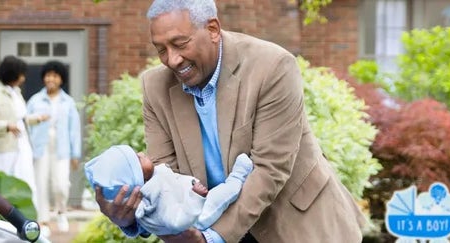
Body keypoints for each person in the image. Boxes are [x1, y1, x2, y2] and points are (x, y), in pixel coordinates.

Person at [94, 0, 366, 242]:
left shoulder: (272, 66)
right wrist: (129, 218)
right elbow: (168, 180)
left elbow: (270, 169)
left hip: (299, 224)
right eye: (161, 49)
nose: (172, 60)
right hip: (212, 224)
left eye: (179, 44)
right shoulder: (155, 86)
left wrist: (210, 238)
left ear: (212, 29)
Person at [84, 145, 253, 236]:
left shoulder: (151, 182)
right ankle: (237, 178)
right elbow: (176, 222)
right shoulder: (151, 198)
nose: (143, 153)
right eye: (138, 158)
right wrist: (196, 197)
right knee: (221, 196)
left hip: (188, 203)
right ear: (135, 179)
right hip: (196, 215)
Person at [26, 60, 82, 233]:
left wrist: (75, 154)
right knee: (41, 184)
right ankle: (43, 221)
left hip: (62, 149)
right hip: (40, 148)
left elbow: (74, 129)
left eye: (55, 76)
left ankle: (61, 211)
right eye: (48, 75)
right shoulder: (35, 100)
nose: (51, 79)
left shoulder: (68, 102)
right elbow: (26, 124)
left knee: (61, 185)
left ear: (61, 79)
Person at [0, 55, 40, 215]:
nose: (23, 78)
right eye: (20, 74)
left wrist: (37, 119)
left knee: (24, 180)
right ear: (11, 74)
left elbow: (21, 117)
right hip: (1, 148)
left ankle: (26, 217)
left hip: (20, 144)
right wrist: (7, 126)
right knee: (2, 186)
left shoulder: (16, 92)